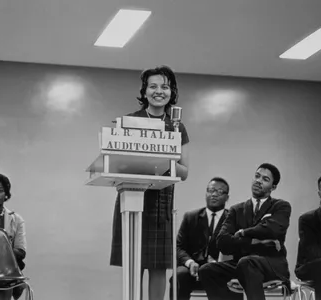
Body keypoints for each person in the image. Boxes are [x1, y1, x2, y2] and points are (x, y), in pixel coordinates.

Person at [110, 65, 190, 300]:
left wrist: (161, 156)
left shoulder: (177, 127)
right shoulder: (129, 121)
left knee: (159, 268)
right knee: (134, 264)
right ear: (144, 91)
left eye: (164, 87)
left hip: (161, 203)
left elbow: (184, 172)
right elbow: (118, 162)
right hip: (133, 198)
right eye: (153, 86)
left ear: (171, 91)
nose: (159, 91)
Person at [199, 163, 291, 300]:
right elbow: (222, 241)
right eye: (257, 176)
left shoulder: (281, 206)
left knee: (247, 262)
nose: (258, 181)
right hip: (241, 264)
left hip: (271, 264)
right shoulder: (236, 210)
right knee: (206, 270)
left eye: (265, 179)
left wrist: (243, 232)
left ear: (273, 187)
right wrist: (256, 239)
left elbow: (272, 230)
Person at [169, 177, 229, 300]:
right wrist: (190, 262)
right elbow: (178, 247)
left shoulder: (233, 219)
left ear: (227, 197)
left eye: (220, 191)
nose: (214, 194)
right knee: (179, 276)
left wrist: (219, 263)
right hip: (192, 268)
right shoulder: (191, 217)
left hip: (219, 269)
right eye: (211, 190)